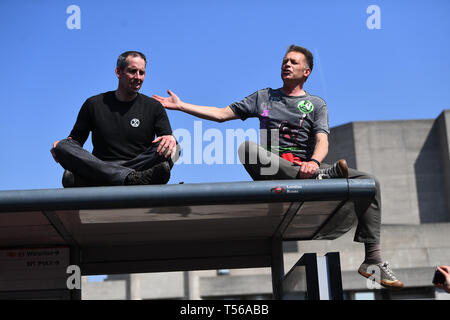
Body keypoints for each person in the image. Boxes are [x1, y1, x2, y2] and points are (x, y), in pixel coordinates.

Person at [153, 45, 404, 289]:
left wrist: (314, 163)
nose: (287, 64)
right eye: (285, 61)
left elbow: (322, 140)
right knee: (247, 149)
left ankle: (373, 257)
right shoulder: (264, 97)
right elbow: (221, 114)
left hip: (311, 169)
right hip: (273, 171)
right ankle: (320, 177)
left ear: (306, 72)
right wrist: (181, 105)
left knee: (369, 182)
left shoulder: (316, 104)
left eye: (294, 62)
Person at [51, 51, 178, 187]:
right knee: (63, 146)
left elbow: (166, 142)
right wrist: (61, 147)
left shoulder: (154, 107)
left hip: (140, 166)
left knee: (173, 146)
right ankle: (128, 178)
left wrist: (170, 138)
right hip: (101, 165)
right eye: (132, 71)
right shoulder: (93, 104)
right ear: (118, 72)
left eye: (142, 73)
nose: (138, 77)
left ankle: (116, 178)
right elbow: (75, 142)